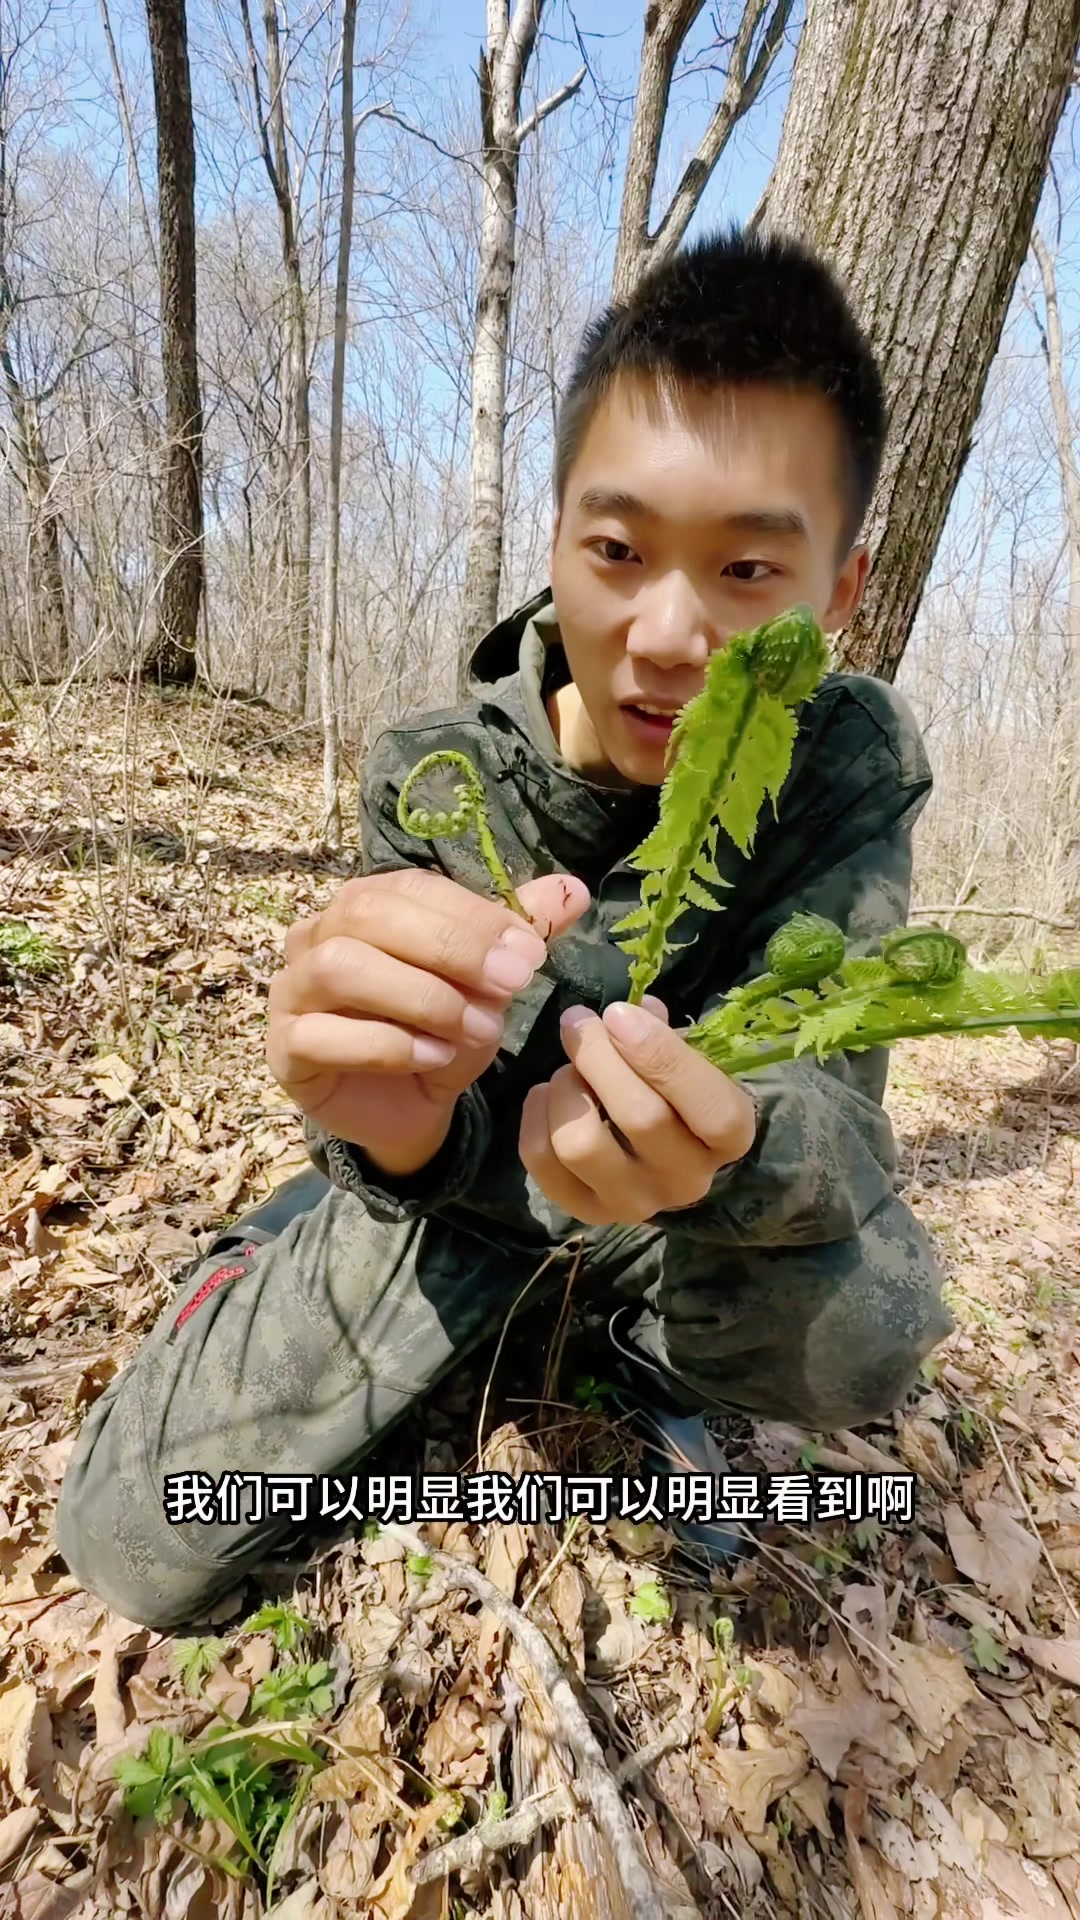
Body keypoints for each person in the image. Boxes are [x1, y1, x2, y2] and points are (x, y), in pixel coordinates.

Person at [56, 226, 951, 1632]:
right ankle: (261, 1260)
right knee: (134, 1539)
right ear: (556, 541)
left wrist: (731, 1144)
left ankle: (636, 1343)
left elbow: (840, 1113)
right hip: (467, 1202)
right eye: (619, 550)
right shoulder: (438, 775)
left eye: (748, 571)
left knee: (873, 1320)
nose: (669, 636)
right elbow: (411, 1119)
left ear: (837, 593)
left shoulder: (850, 765)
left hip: (685, 1213)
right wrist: (391, 1136)